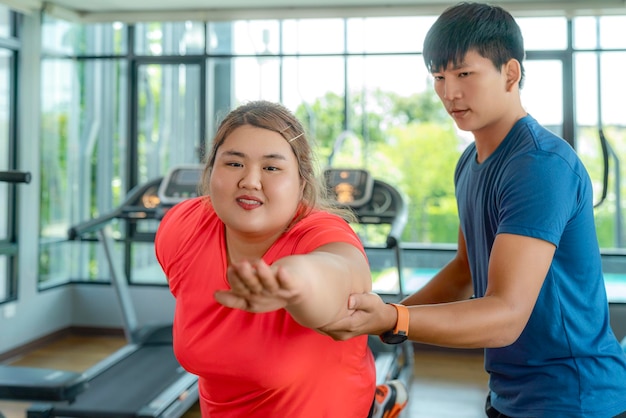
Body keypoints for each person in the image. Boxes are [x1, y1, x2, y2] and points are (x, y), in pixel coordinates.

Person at [318, 2, 626, 417]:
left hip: (575, 397)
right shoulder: (470, 162)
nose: (449, 93)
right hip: (510, 393)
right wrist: (383, 320)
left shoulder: (540, 166)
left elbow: (505, 315)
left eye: (464, 74)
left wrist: (394, 319)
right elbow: (464, 271)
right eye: (439, 77)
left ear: (510, 74)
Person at [154, 100, 407, 418]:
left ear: (301, 182)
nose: (250, 181)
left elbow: (344, 274)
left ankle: (377, 401)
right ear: (210, 170)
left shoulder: (322, 232)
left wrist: (294, 279)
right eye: (234, 164)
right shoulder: (182, 228)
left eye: (271, 168)